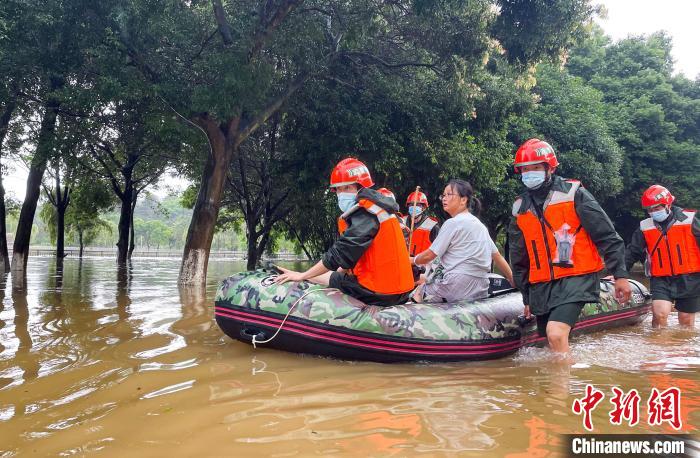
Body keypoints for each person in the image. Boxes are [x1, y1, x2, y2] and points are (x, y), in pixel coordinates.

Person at [508, 138, 632, 354]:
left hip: (577, 277)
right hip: (541, 285)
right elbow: (519, 258)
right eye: (524, 169)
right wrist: (526, 296)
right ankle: (558, 383)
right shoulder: (519, 207)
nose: (529, 173)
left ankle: (560, 389)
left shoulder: (575, 193)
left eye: (535, 167)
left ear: (550, 167)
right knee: (549, 340)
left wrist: (620, 275)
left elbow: (606, 235)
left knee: (555, 333)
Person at [274, 158, 414, 306]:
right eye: (338, 189)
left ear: (360, 187)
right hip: (401, 290)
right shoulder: (380, 210)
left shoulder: (367, 213)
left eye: (347, 188)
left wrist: (303, 275)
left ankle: (299, 275)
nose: (341, 194)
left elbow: (339, 253)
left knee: (332, 277)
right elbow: (350, 257)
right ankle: (307, 275)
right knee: (337, 275)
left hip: (381, 293)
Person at [411, 179, 514, 302]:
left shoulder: (452, 223)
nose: (444, 198)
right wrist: (512, 280)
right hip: (481, 286)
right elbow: (497, 257)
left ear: (463, 200)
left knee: (419, 290)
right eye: (443, 195)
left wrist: (412, 260)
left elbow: (429, 255)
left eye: (449, 194)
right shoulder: (480, 226)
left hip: (456, 285)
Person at [625, 185, 700, 328]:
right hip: (661, 278)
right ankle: (658, 347)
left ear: (668, 204)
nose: (653, 212)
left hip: (690, 278)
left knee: (685, 320)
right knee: (659, 315)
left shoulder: (690, 220)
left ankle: (683, 349)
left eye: (656, 208)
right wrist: (619, 273)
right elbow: (632, 251)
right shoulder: (645, 227)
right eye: (650, 210)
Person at [403, 190, 440, 256]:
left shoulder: (432, 226)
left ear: (424, 207)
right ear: (408, 206)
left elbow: (438, 251)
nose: (414, 207)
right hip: (401, 263)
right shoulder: (401, 221)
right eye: (411, 204)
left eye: (418, 205)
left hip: (422, 264)